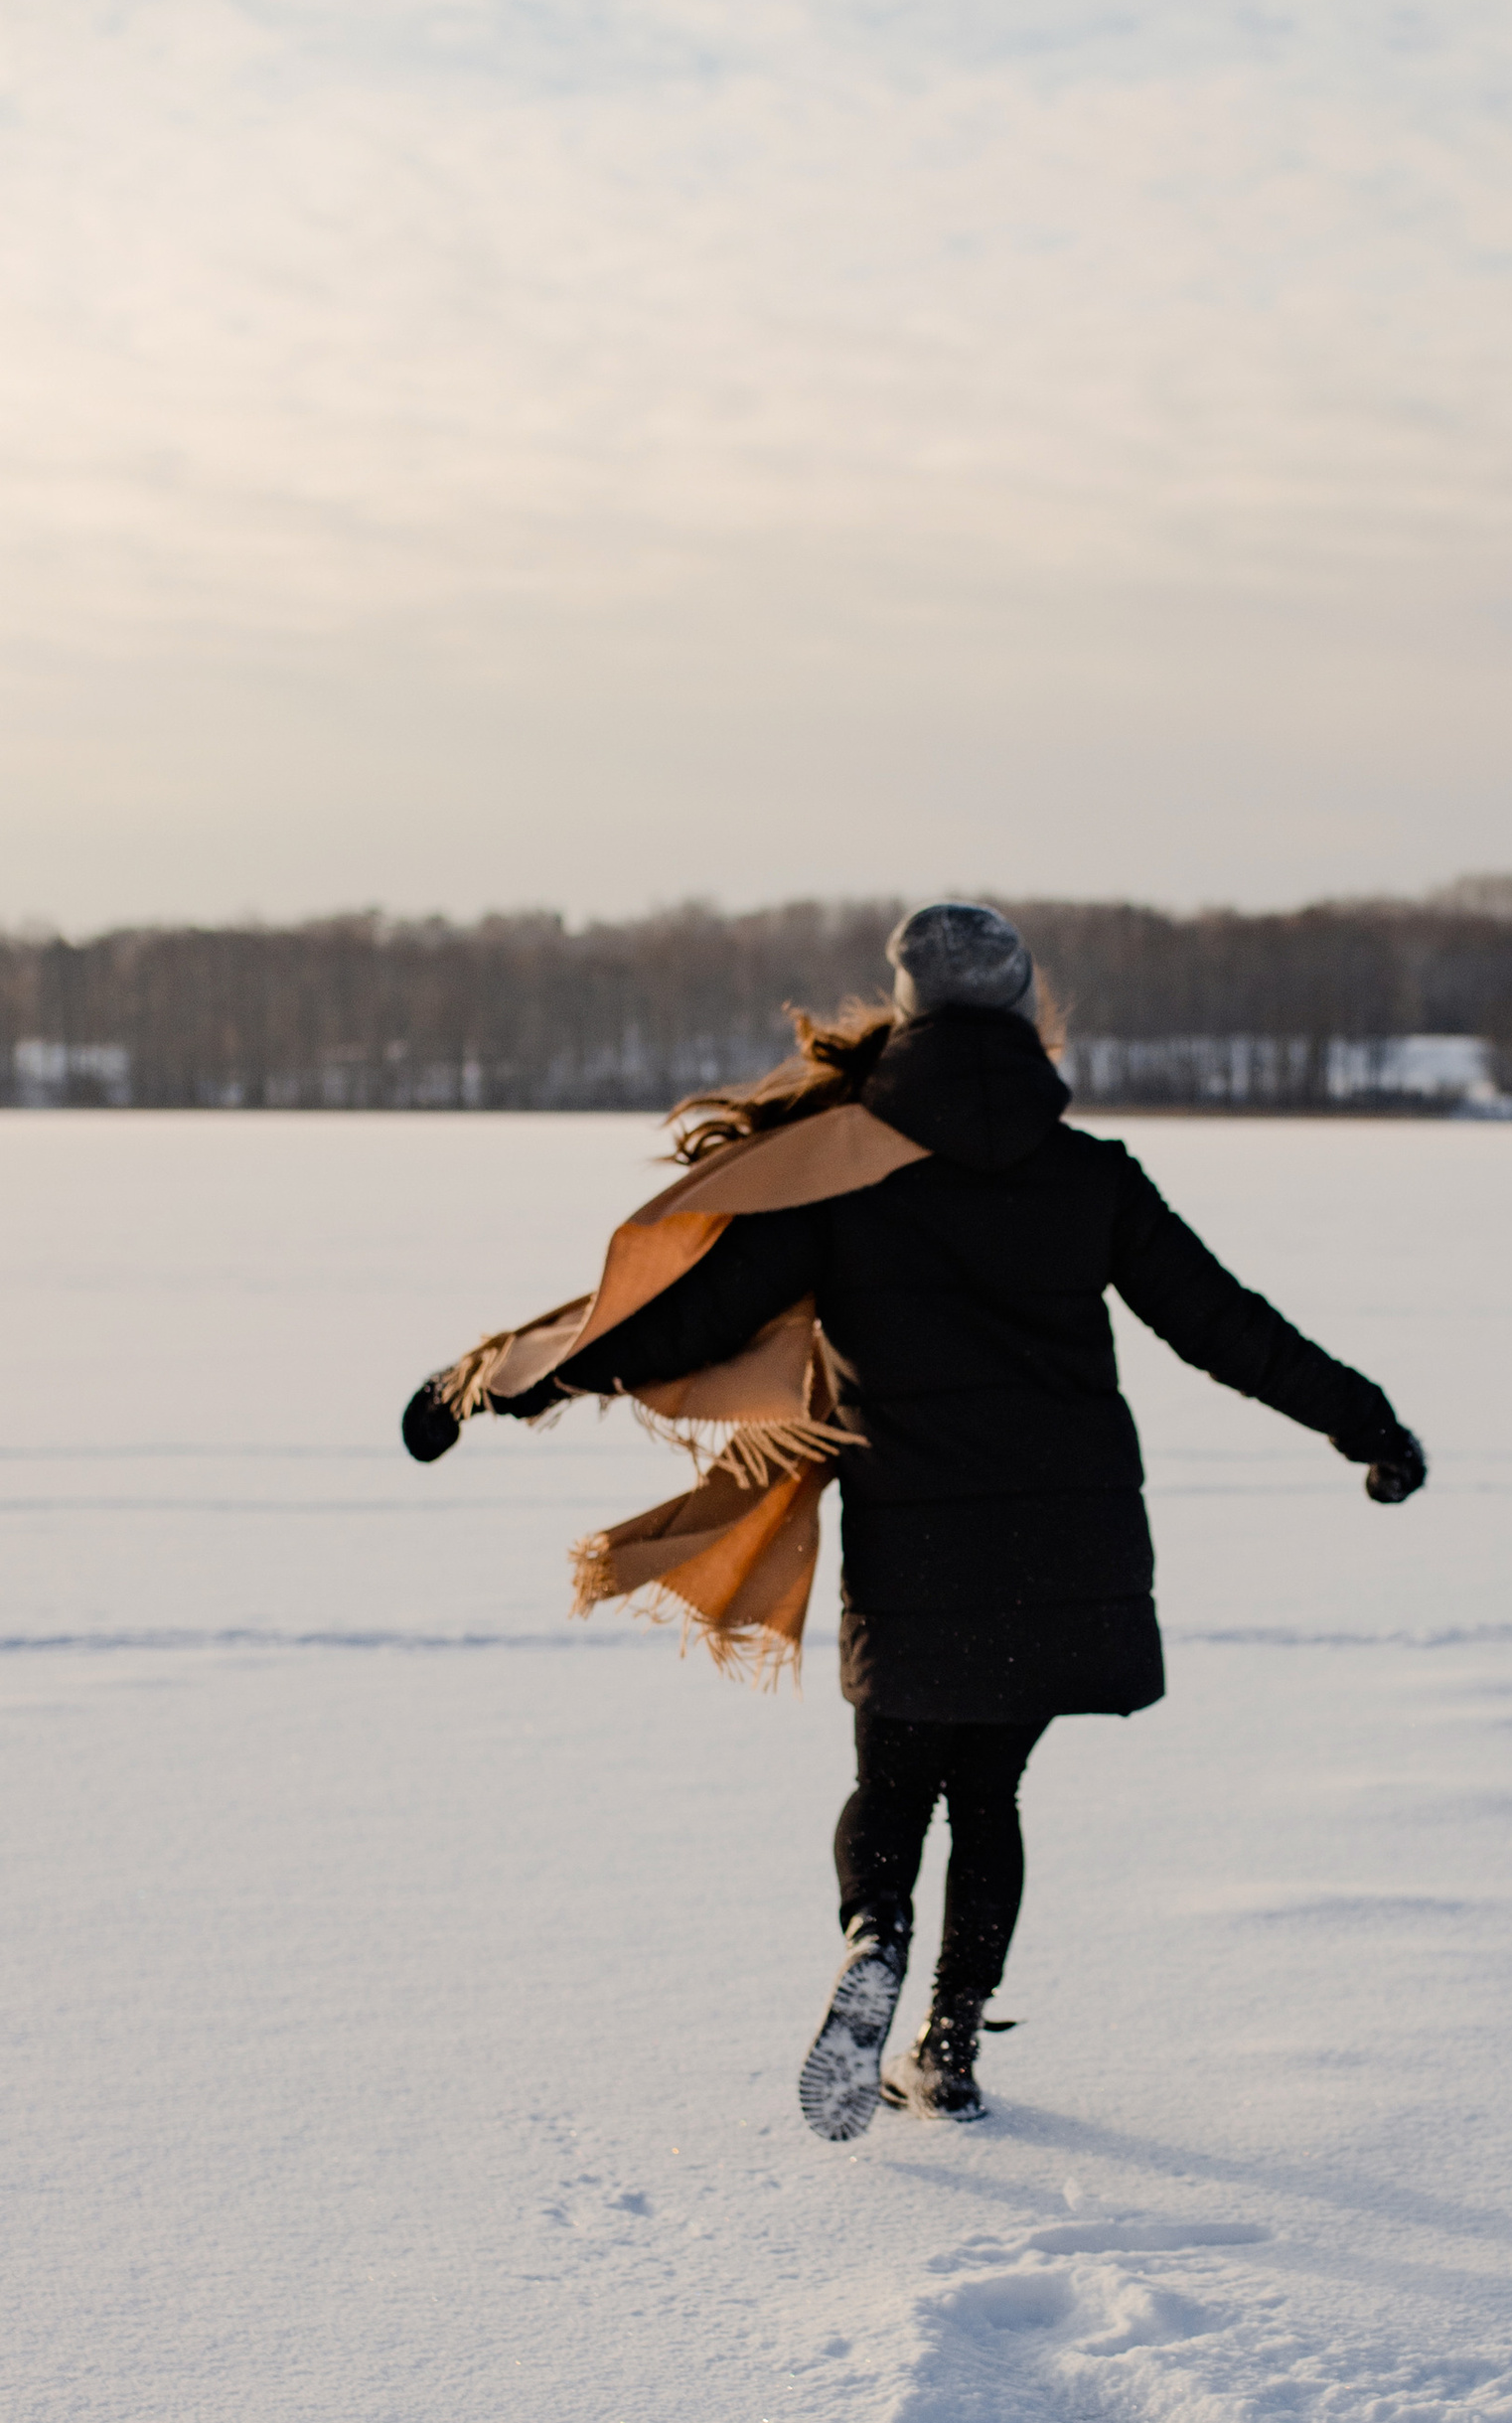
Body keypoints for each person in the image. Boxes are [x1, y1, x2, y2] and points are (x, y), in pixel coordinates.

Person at [403, 902, 1425, 2142]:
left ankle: (871, 1935)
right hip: (1073, 1536)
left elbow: (688, 1319)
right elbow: (1225, 1324)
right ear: (1024, 1008)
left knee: (893, 1783)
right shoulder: (1089, 1174)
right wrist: (1365, 1423)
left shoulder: (843, 1173)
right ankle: (946, 2051)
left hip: (920, 1534)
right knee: (988, 1789)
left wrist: (502, 1379)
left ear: (905, 1007)